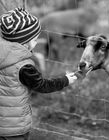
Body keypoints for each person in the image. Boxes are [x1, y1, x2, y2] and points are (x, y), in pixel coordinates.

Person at [0, 7, 78, 140]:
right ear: (25, 42)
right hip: (15, 128)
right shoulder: (24, 67)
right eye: (35, 39)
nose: (36, 43)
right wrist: (65, 80)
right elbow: (42, 85)